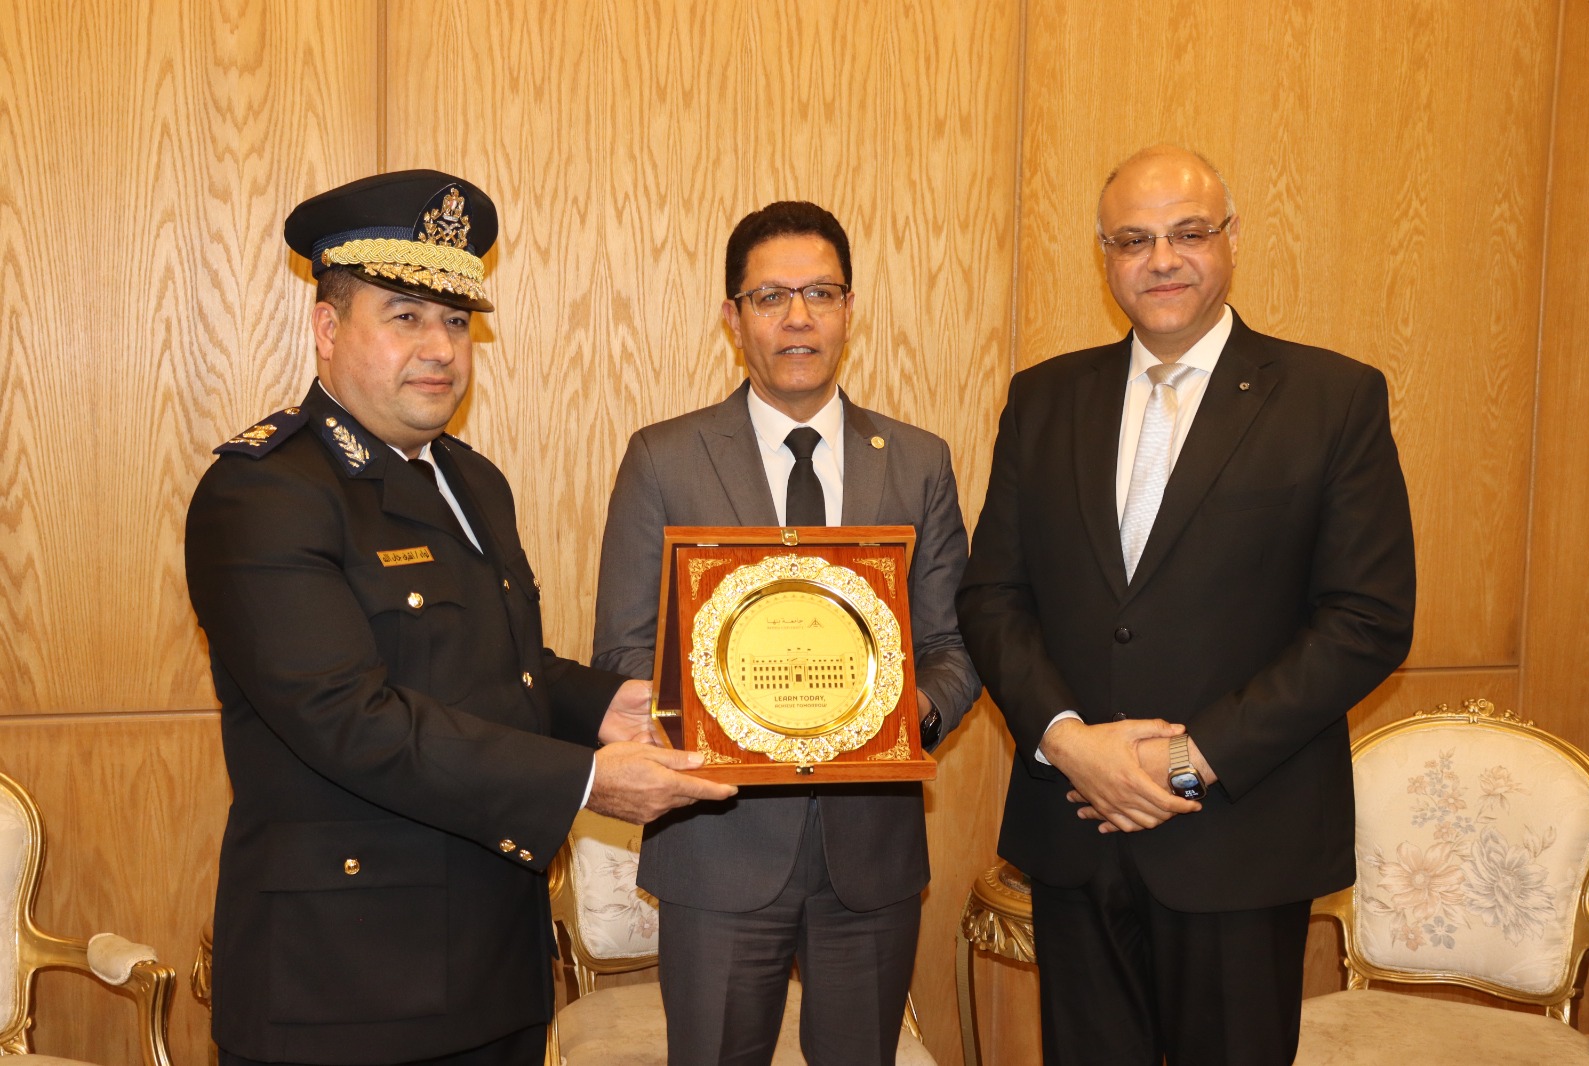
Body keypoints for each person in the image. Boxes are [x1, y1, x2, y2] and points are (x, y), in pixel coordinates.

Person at [185, 170, 733, 1066]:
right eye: (404, 316)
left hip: (493, 963)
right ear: (327, 329)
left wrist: (604, 705)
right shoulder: (264, 492)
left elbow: (493, 666)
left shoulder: (471, 480)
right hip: (347, 987)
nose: (439, 347)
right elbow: (347, 719)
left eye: (455, 320)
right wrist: (584, 782)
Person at [956, 146, 1416, 1065]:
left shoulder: (1333, 398)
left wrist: (1190, 759)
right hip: (1074, 824)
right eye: (1133, 240)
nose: (1161, 259)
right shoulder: (1044, 398)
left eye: (1188, 233)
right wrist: (1068, 742)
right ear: (1105, 255)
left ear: (1232, 239)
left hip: (1239, 838)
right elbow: (993, 596)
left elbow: (1367, 619)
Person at [591, 200, 981, 1065]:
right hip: (716, 847)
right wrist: (721, 718)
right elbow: (621, 650)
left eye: (820, 293)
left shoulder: (918, 461)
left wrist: (901, 716)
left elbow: (954, 648)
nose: (798, 317)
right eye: (770, 297)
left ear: (850, 310)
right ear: (733, 319)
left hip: (870, 856)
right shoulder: (664, 458)